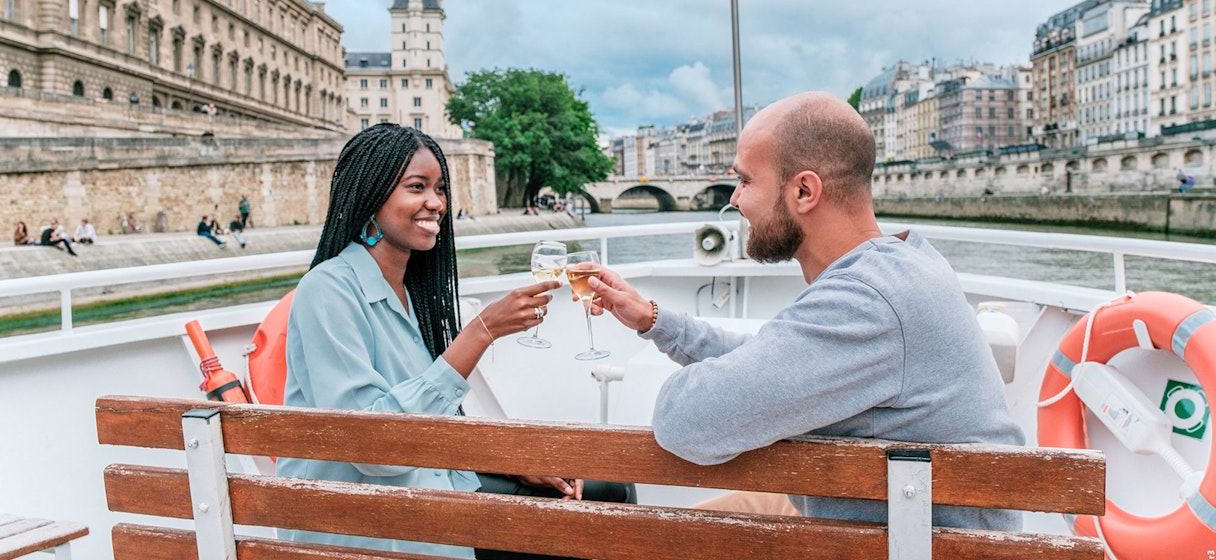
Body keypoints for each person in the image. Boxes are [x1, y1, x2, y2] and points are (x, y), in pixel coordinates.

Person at [587, 91, 1023, 531]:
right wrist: (655, 321)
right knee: (659, 531)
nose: (735, 199)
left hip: (910, 547)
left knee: (640, 537)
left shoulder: (864, 302)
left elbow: (684, 422)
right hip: (902, 528)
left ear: (804, 191)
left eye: (745, 181)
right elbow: (770, 359)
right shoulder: (903, 266)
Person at [276, 123, 634, 558]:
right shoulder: (327, 290)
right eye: (416, 187)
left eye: (440, 188)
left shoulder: (411, 291)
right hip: (375, 524)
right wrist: (480, 333)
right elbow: (374, 449)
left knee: (604, 485)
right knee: (594, 515)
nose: (436, 203)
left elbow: (423, 428)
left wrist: (512, 463)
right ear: (371, 196)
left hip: (427, 492)